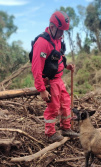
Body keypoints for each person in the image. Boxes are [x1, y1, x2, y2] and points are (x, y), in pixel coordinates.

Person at [31, 11, 79, 142]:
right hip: (49, 82)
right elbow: (36, 68)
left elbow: (58, 57)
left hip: (59, 80)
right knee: (53, 107)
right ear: (52, 27)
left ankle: (66, 128)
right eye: (60, 31)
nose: (62, 34)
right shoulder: (42, 43)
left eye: (64, 31)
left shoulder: (58, 40)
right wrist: (42, 89)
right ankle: (50, 133)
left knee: (66, 104)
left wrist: (66, 66)